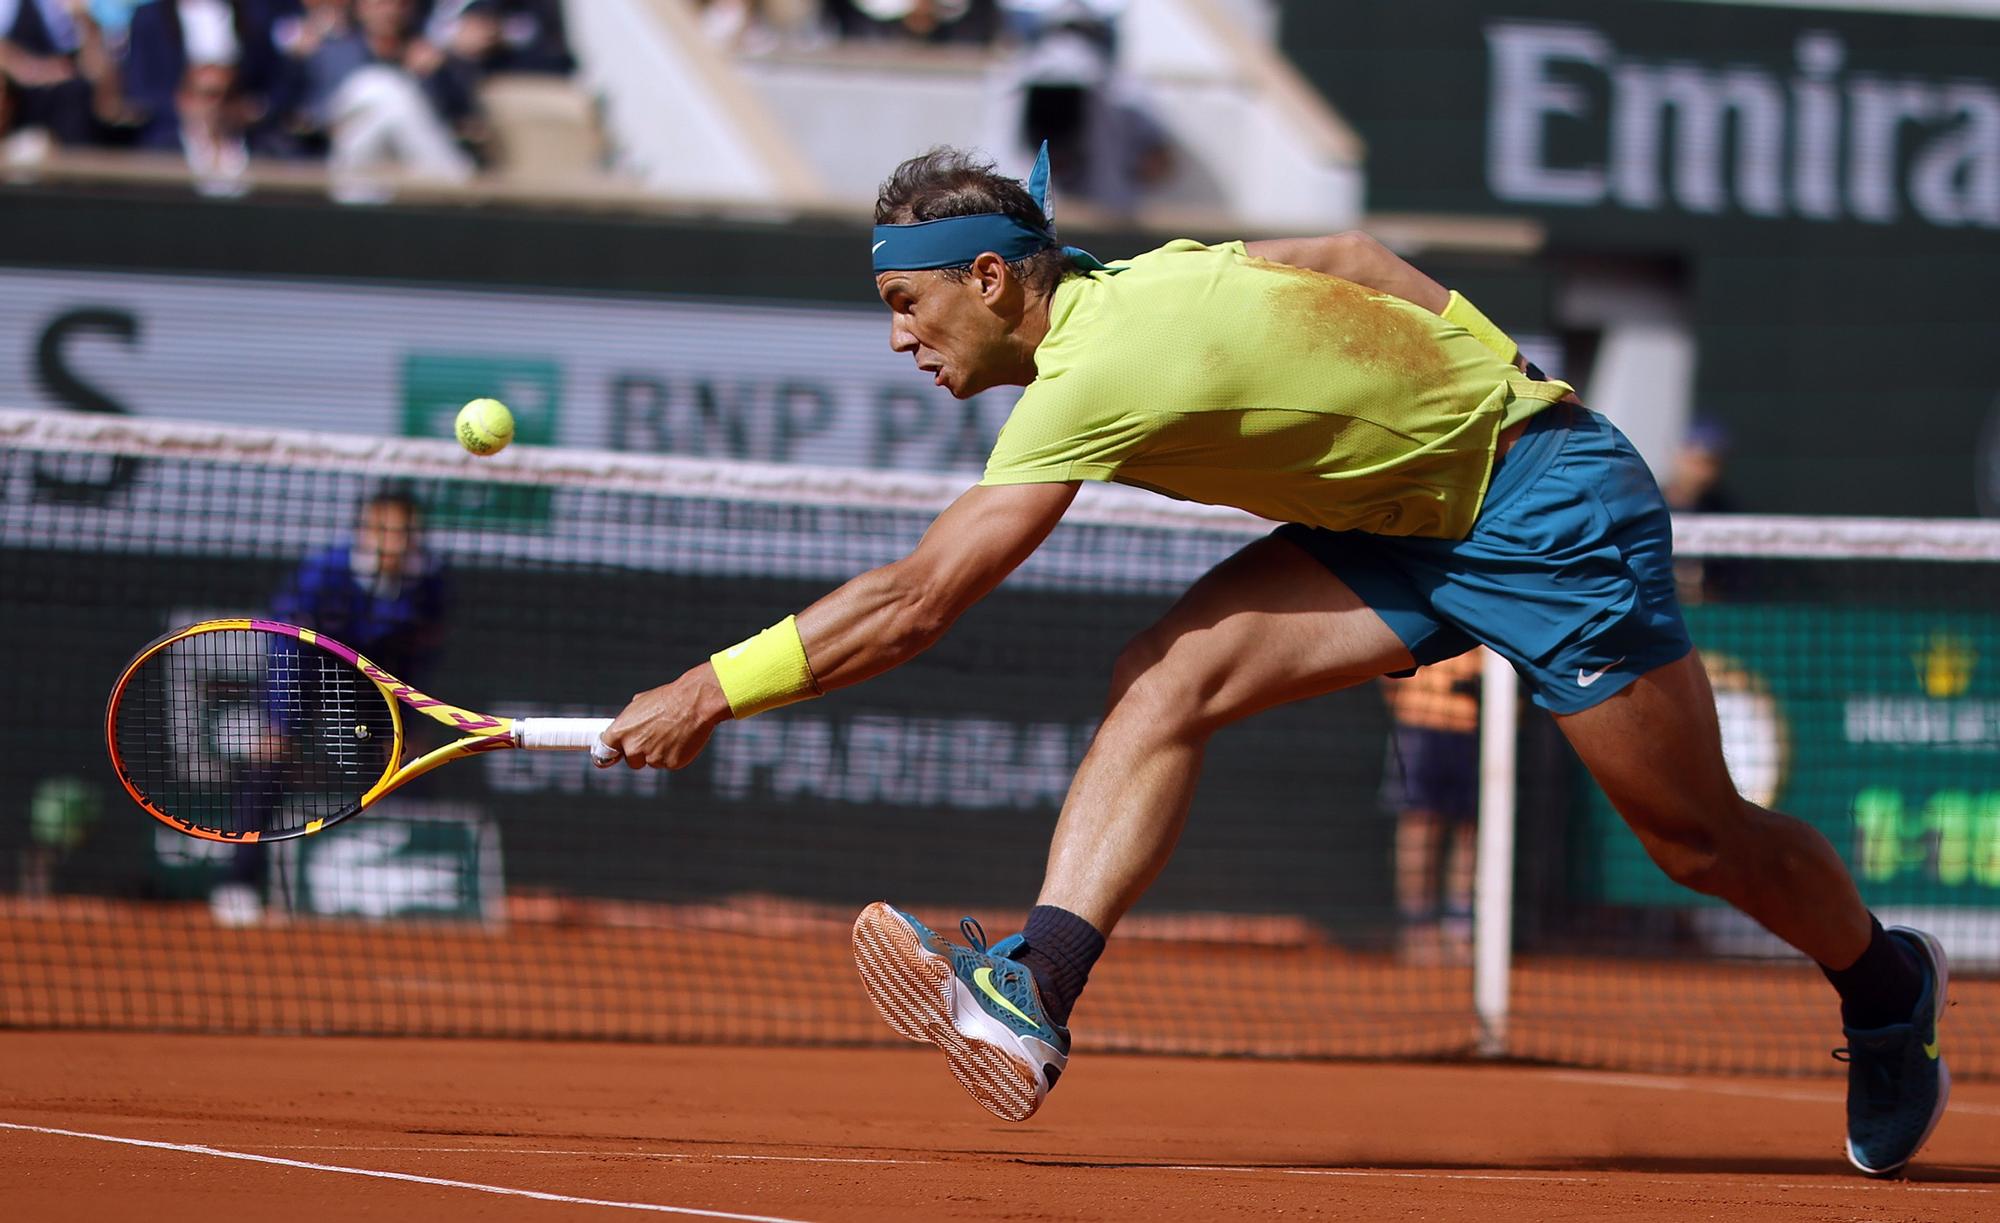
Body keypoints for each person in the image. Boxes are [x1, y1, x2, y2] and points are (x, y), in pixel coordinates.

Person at [599, 145, 1950, 1178]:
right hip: (1396, 525)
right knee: (1165, 668)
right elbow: (1353, 252)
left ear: (994, 280)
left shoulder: (1093, 372)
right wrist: (1486, 349)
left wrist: (714, 687)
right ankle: (1034, 987)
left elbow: (918, 600)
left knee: (1698, 841)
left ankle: (1888, 990)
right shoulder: (1132, 281)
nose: (900, 337)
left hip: (1544, 503)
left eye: (909, 302)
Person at [211, 485, 449, 923]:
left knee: (404, 758)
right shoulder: (325, 572)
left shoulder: (430, 582)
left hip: (378, 672)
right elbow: (289, 638)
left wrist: (410, 717)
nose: (393, 540)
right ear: (365, 529)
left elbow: (420, 649)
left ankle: (394, 885)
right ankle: (239, 884)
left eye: (403, 531)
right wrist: (283, 717)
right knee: (273, 755)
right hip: (308, 664)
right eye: (383, 529)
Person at [1378, 647, 1485, 966]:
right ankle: (1417, 931)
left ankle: (1459, 930)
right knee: (1419, 825)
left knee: (1473, 829)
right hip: (1419, 721)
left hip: (1481, 727)